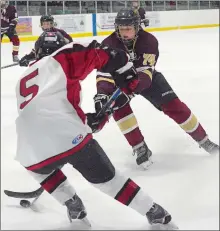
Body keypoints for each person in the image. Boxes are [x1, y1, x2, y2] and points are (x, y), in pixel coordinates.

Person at [15, 31, 177, 229]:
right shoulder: (61, 56)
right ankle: (154, 212)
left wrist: (88, 122)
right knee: (110, 181)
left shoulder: (24, 78)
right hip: (67, 135)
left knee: (40, 170)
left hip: (27, 147)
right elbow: (98, 52)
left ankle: (72, 204)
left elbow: (46, 115)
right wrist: (125, 69)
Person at [94, 8, 219, 168]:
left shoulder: (149, 41)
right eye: (121, 28)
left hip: (147, 79)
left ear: (137, 27)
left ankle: (204, 140)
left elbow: (145, 75)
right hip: (121, 81)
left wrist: (129, 93)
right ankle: (139, 147)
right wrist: (102, 94)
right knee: (118, 107)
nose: (124, 32)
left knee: (175, 106)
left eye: (128, 29)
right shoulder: (108, 44)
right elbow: (104, 74)